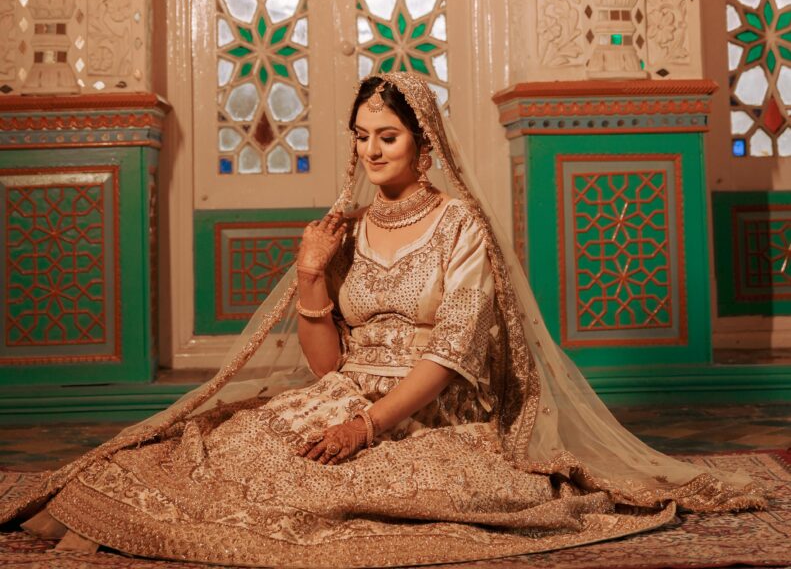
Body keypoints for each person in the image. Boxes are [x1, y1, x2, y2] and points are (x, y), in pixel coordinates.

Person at [1, 73, 765, 566]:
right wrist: (309, 275)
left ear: (423, 143)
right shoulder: (347, 227)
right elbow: (327, 367)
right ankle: (105, 514)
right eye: (360, 136)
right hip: (353, 388)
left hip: (437, 405)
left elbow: (454, 355)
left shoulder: (462, 224)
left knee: (331, 486)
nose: (370, 149)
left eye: (387, 136)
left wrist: (364, 428)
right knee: (231, 449)